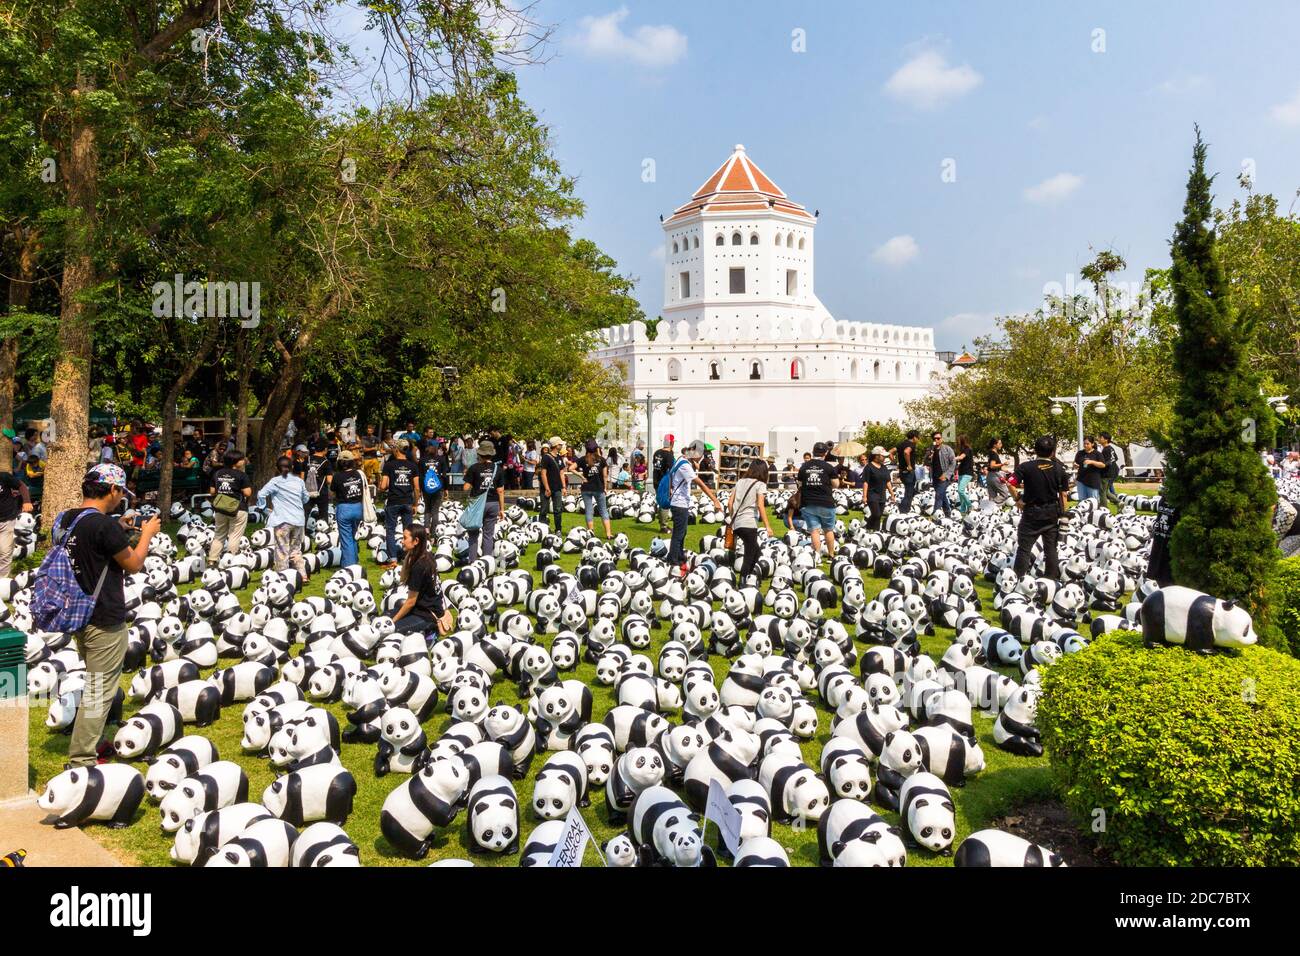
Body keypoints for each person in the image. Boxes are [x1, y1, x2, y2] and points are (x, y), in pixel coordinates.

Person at [57, 464, 162, 768]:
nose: (121, 499)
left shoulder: (66, 519)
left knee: (95, 681)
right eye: (121, 493)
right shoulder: (105, 527)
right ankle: (82, 759)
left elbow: (92, 545)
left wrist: (121, 528)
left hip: (76, 613)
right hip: (104, 616)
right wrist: (148, 534)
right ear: (113, 490)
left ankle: (91, 740)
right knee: (99, 690)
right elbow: (134, 564)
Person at [1010, 435, 1070, 579]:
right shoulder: (1059, 469)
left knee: (1024, 549)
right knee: (1051, 550)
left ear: (1035, 450)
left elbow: (1010, 482)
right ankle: (1050, 580)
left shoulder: (1025, 467)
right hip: (1051, 513)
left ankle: (1018, 580)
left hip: (1031, 513)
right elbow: (1063, 495)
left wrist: (1017, 498)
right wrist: (1064, 514)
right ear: (1052, 452)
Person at [667, 442, 723, 575]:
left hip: (678, 502)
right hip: (680, 504)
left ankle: (678, 557)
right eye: (699, 455)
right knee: (679, 534)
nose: (700, 458)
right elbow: (701, 484)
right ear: (692, 451)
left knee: (681, 532)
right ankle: (674, 561)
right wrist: (715, 500)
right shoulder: (685, 465)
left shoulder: (680, 460)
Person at [390, 524, 453, 640]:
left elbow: (410, 602)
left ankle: (430, 631)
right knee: (385, 616)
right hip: (424, 608)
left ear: (416, 541)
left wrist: (393, 621)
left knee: (392, 630)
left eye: (405, 538)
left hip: (427, 614)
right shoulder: (427, 556)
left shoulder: (419, 566)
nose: (402, 541)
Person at [257, 454, 310, 578]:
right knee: (296, 549)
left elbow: (261, 494)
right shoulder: (299, 481)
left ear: (277, 468)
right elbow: (306, 498)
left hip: (283, 520)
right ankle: (302, 575)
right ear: (291, 467)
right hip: (299, 520)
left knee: (282, 550)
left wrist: (262, 507)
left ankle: (284, 575)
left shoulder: (275, 481)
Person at [727, 459, 774, 584]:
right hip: (749, 523)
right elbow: (760, 505)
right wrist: (767, 526)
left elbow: (729, 503)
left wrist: (734, 518)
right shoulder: (760, 484)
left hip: (737, 524)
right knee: (749, 555)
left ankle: (750, 577)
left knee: (756, 552)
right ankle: (742, 582)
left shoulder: (740, 481)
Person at [797, 441, 841, 562]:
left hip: (809, 502)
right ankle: (831, 556)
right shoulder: (829, 467)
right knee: (828, 530)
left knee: (814, 531)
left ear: (813, 452)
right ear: (825, 453)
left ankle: (816, 557)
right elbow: (836, 484)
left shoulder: (804, 467)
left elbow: (800, 484)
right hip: (826, 502)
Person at [207, 450, 253, 563]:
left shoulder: (217, 473)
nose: (243, 461)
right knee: (234, 535)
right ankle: (230, 560)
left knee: (219, 535)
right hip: (238, 509)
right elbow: (248, 493)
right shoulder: (241, 475)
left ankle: (212, 560)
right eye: (241, 459)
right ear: (235, 461)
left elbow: (212, 491)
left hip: (220, 509)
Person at [464, 438, 505, 562]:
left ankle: (472, 562)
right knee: (488, 535)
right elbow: (501, 491)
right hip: (493, 504)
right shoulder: (498, 469)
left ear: (479, 454)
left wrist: (468, 479)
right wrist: (502, 509)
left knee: (473, 534)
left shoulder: (474, 468)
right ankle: (487, 562)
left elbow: (466, 488)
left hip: (477, 505)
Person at [379, 439, 417, 568]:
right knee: (409, 531)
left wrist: (381, 486)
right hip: (408, 502)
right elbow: (417, 488)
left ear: (396, 449)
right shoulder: (413, 466)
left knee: (390, 531)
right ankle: (409, 558)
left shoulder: (389, 465)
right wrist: (416, 504)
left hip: (393, 501)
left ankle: (393, 560)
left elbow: (383, 486)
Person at [331, 450, 367, 569]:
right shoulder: (358, 474)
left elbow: (333, 491)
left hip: (344, 508)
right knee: (352, 535)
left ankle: (349, 567)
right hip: (358, 507)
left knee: (346, 538)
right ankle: (355, 559)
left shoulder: (337, 476)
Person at [0, 469, 33, 578]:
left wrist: (27, 501)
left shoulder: (3, 477)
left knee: (5, 552)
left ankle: (2, 582)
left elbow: (21, 485)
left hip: (7, 519)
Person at [578, 439, 612, 539]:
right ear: (596, 448)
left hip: (586, 488)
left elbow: (571, 468)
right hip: (598, 488)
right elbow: (605, 475)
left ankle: (591, 534)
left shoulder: (583, 459)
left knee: (589, 511)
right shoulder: (601, 460)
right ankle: (608, 534)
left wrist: (582, 477)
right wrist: (605, 487)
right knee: (603, 511)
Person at [863, 446, 893, 531]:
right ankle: (868, 527)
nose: (884, 457)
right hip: (872, 494)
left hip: (882, 494)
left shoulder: (884, 467)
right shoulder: (868, 467)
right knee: (876, 514)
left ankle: (876, 532)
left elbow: (888, 481)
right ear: (876, 456)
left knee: (879, 515)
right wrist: (864, 496)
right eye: (883, 456)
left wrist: (892, 494)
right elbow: (866, 482)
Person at [927, 431, 956, 518]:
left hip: (944, 477)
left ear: (942, 439)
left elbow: (953, 463)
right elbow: (925, 462)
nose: (936, 440)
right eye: (934, 439)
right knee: (942, 495)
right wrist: (929, 457)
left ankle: (936, 515)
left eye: (938, 438)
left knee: (938, 495)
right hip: (935, 476)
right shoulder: (930, 450)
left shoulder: (947, 449)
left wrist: (946, 475)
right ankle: (948, 513)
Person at [421, 438, 448, 531]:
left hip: (426, 487)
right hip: (438, 487)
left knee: (427, 509)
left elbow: (421, 476)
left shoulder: (422, 460)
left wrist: (421, 489)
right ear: (437, 447)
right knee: (435, 510)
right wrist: (446, 489)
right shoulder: (441, 459)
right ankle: (433, 532)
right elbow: (444, 476)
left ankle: (426, 529)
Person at [538, 439, 565, 533]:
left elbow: (562, 473)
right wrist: (547, 488)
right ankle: (542, 530)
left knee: (558, 510)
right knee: (544, 510)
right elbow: (543, 474)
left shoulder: (559, 457)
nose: (561, 445)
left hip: (557, 488)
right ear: (555, 445)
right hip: (546, 488)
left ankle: (558, 529)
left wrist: (564, 487)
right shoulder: (546, 457)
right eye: (560, 444)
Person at [304, 442, 334, 525]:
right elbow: (329, 480)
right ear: (325, 450)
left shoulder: (307, 459)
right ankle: (323, 532)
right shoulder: (326, 462)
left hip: (307, 491)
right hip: (321, 492)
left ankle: (302, 532)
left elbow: (302, 476)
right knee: (323, 513)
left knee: (305, 512)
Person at [652, 435, 676, 533]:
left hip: (656, 480)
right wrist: (671, 486)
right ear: (672, 443)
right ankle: (663, 526)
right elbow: (671, 471)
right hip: (665, 482)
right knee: (664, 503)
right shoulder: (669, 454)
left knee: (661, 502)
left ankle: (663, 523)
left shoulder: (657, 452)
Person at [1074, 437, 1107, 503]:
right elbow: (1076, 462)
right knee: (1082, 501)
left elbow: (1103, 465)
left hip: (1093, 481)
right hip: (1081, 480)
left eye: (1087, 444)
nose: (1085, 445)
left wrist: (1092, 462)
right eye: (1084, 444)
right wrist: (1075, 465)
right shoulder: (1080, 453)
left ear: (1092, 444)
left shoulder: (1097, 454)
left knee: (1093, 501)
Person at [895, 430, 919, 513]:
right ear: (914, 437)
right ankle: (904, 511)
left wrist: (895, 463)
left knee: (910, 490)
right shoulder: (912, 445)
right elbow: (906, 452)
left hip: (902, 471)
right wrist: (909, 465)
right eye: (918, 438)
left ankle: (904, 508)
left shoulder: (901, 444)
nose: (918, 440)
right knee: (909, 492)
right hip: (908, 472)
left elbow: (890, 452)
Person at [1098, 432, 1124, 506]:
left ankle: (1104, 509)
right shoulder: (1111, 448)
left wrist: (1101, 465)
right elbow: (1115, 458)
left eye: (1100, 437)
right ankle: (1119, 502)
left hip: (1107, 473)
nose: (1098, 439)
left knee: (1102, 492)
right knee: (1106, 491)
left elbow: (1108, 462)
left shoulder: (1106, 450)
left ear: (1106, 440)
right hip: (1113, 471)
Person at [986, 437, 1011, 505]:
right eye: (999, 443)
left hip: (989, 476)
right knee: (1005, 494)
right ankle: (992, 504)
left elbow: (994, 466)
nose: (1001, 445)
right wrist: (1003, 463)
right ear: (994, 445)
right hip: (995, 476)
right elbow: (992, 465)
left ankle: (990, 509)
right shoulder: (994, 454)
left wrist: (1005, 470)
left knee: (992, 496)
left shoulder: (990, 452)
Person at [955, 435, 975, 515]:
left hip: (967, 473)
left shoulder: (967, 449)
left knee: (961, 490)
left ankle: (970, 505)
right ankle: (963, 509)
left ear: (962, 441)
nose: (957, 442)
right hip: (961, 472)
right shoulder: (963, 450)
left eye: (958, 441)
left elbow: (961, 457)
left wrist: (951, 458)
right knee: (960, 493)